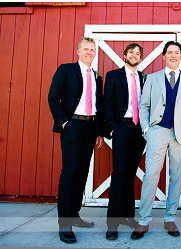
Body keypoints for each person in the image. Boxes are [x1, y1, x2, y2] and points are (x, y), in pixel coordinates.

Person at [132, 41, 181, 240]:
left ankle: (170, 218)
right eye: (169, 52)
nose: (173, 55)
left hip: (180, 135)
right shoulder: (152, 78)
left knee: (176, 177)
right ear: (163, 56)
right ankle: (143, 221)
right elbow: (143, 106)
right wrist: (146, 129)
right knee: (151, 175)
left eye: (176, 52)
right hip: (157, 131)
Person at [47, 37, 105, 244]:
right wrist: (63, 122)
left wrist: (98, 131)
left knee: (82, 173)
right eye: (86, 49)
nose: (89, 52)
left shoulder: (97, 77)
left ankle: (75, 214)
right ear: (78, 51)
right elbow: (53, 97)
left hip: (90, 128)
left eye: (92, 49)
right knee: (70, 172)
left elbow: (99, 106)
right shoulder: (66, 70)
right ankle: (64, 224)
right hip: (71, 126)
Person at [101, 42, 147, 240]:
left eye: (138, 53)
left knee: (130, 173)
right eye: (131, 52)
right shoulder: (113, 76)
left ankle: (128, 216)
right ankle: (112, 223)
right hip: (122, 128)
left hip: (139, 131)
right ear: (125, 55)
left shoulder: (145, 78)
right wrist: (113, 128)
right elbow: (107, 104)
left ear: (140, 57)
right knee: (119, 173)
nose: (134, 55)